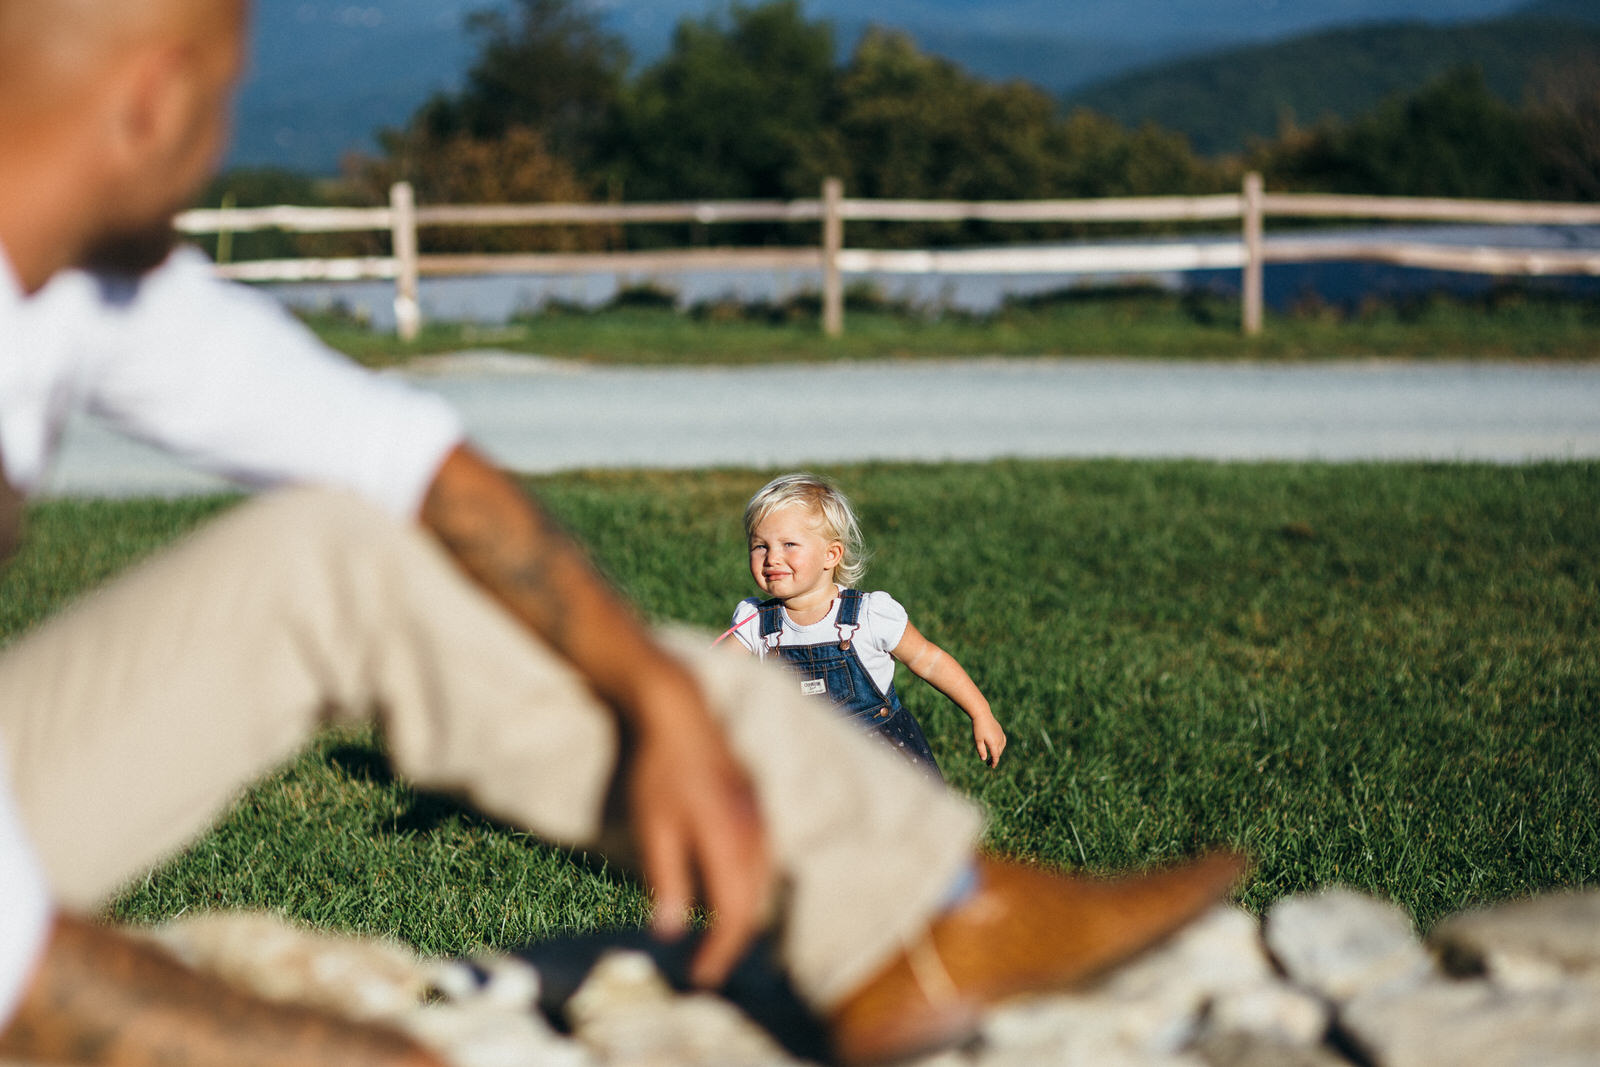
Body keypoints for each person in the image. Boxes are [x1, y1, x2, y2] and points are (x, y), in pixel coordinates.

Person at [0, 1, 1246, 1065]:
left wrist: (651, 690)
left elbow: (408, 461)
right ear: (158, 99)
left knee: (335, 549)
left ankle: (917, 918)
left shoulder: (81, 264)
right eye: (230, 100)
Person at [726, 473, 1006, 778]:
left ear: (831, 555)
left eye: (789, 544)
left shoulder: (868, 615)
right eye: (760, 546)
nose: (772, 558)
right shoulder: (755, 623)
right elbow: (714, 675)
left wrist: (980, 713)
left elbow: (929, 660)